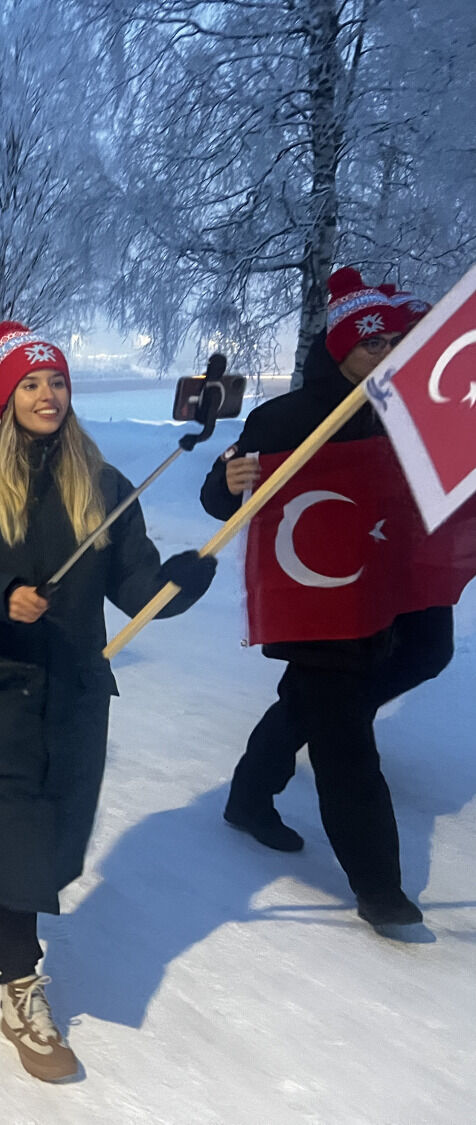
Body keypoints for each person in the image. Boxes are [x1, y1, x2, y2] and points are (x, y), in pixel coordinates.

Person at [0, 319, 215, 1083]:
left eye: (57, 382)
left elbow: (135, 585)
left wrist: (177, 583)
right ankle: (20, 988)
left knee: (53, 841)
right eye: (31, 384)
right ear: (7, 397)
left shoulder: (105, 486)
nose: (47, 395)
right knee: (18, 841)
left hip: (76, 690)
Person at [200, 268, 445, 935]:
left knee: (419, 655)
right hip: (318, 602)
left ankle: (250, 795)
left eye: (396, 342)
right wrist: (229, 480)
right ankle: (379, 887)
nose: (388, 356)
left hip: (389, 586)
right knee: (343, 736)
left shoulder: (406, 412)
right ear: (341, 350)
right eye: (374, 346)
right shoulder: (283, 417)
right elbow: (218, 499)